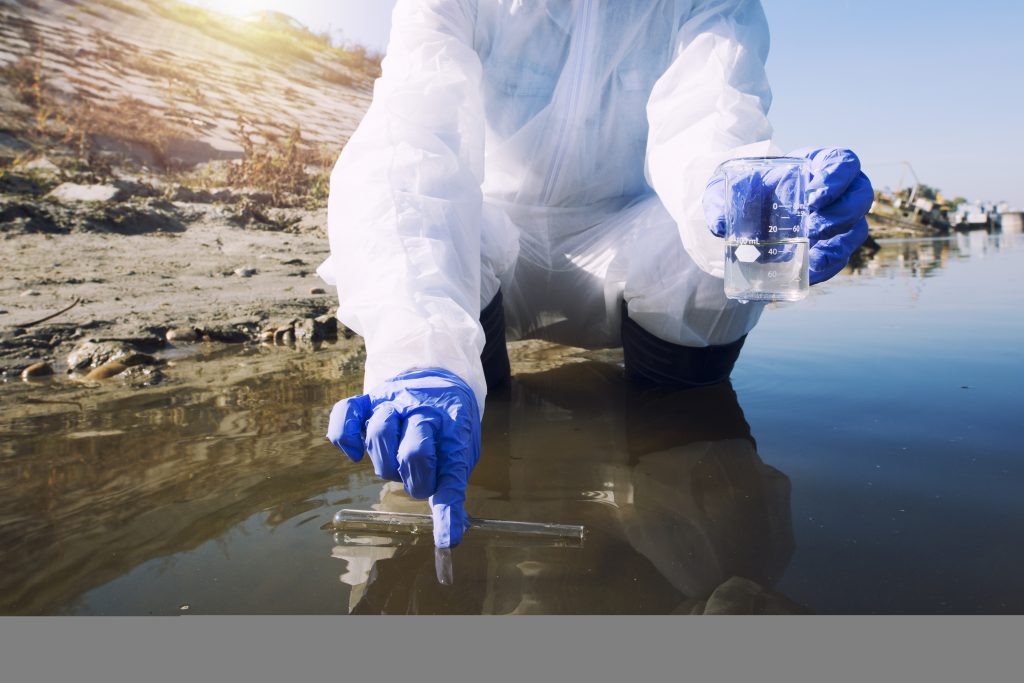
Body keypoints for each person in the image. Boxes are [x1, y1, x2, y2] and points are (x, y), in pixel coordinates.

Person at [320, 0, 872, 548]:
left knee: (724, 245)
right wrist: (417, 352)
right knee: (412, 212)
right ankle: (447, 386)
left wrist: (753, 199)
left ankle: (680, 468)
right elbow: (416, 137)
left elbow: (711, 121)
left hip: (630, 235)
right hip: (491, 235)